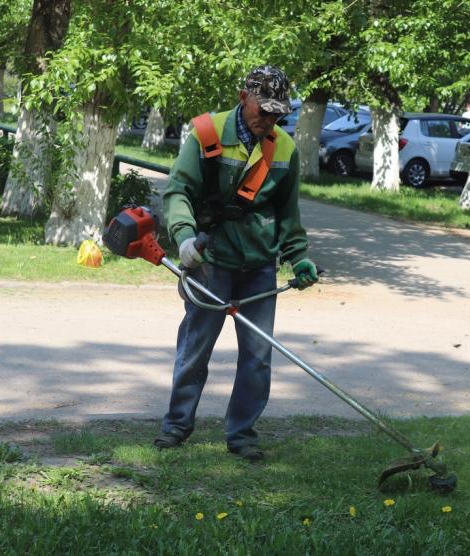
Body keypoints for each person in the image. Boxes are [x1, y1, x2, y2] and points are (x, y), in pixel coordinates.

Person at [154, 65, 318, 461]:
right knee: (195, 348)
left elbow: (288, 214)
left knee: (258, 356)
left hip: (259, 265)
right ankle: (176, 427)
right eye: (263, 110)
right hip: (212, 259)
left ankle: (242, 435)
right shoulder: (206, 134)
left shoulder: (285, 149)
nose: (268, 120)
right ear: (244, 96)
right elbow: (178, 192)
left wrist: (298, 257)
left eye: (277, 114)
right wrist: (184, 236)